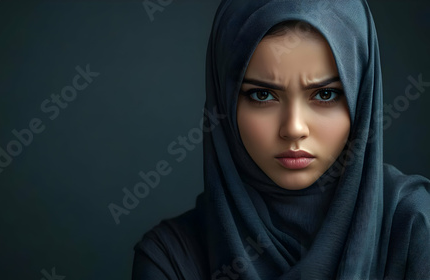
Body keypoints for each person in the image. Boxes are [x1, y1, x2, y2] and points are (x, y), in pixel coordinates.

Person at [132, 0, 430, 279]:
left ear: (361, 99)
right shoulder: (170, 259)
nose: (294, 128)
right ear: (224, 103)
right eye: (262, 95)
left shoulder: (414, 227)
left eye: (325, 94)